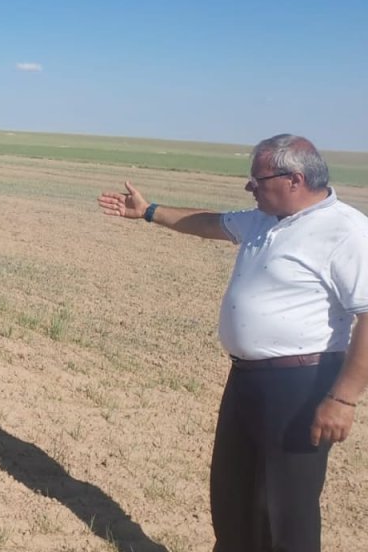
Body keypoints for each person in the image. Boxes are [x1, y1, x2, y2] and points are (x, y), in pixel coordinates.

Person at [97, 134, 368, 551]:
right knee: (233, 496)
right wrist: (149, 211)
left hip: (302, 385)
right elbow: (210, 222)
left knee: (287, 511)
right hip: (245, 379)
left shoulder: (346, 230)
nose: (249, 187)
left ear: (294, 179)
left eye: (257, 178)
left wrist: (344, 399)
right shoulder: (264, 218)